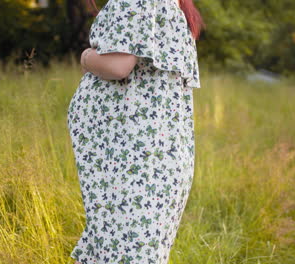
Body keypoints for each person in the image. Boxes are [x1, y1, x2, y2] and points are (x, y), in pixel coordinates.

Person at [67, 0, 205, 263]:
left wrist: (86, 57)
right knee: (124, 247)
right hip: (160, 157)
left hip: (134, 158)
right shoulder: (173, 5)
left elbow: (118, 65)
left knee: (123, 249)